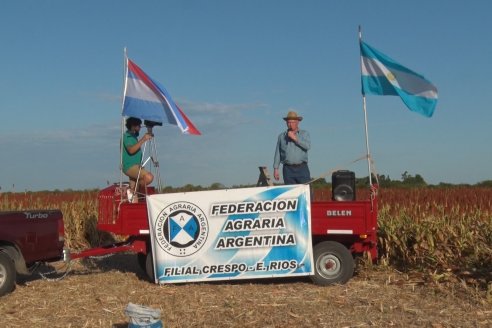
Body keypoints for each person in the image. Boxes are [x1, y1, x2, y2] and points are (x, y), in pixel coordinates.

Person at [273, 111, 311, 184]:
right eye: (288, 122)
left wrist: (295, 139)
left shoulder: (304, 134)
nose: (290, 124)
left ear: (297, 122)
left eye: (292, 122)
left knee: (306, 191)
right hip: (287, 169)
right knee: (291, 193)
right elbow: (278, 153)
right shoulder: (281, 136)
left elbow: (308, 146)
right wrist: (276, 169)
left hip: (302, 168)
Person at [122, 117, 154, 201]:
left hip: (137, 166)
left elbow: (138, 134)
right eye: (138, 126)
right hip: (130, 166)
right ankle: (132, 189)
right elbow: (131, 150)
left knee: (134, 197)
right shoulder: (127, 137)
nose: (140, 127)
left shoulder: (133, 136)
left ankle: (132, 193)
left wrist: (149, 129)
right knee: (148, 177)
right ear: (133, 126)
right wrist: (144, 139)